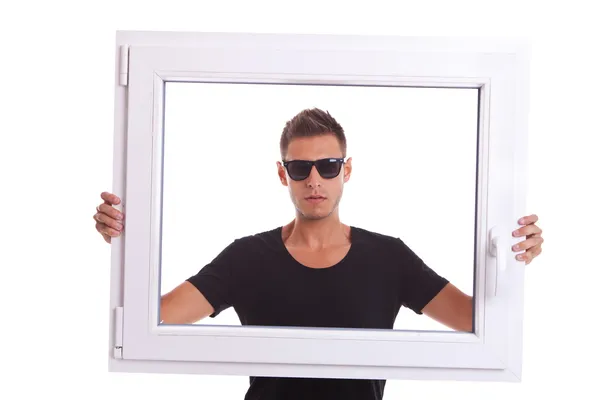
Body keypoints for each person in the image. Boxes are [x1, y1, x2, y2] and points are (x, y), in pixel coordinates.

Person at [94, 108, 544, 400]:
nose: (314, 180)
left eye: (328, 166)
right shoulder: (246, 258)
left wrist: (514, 258)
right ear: (282, 173)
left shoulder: (388, 258)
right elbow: (154, 318)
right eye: (300, 168)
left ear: (346, 170)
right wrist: (124, 244)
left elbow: (480, 323)